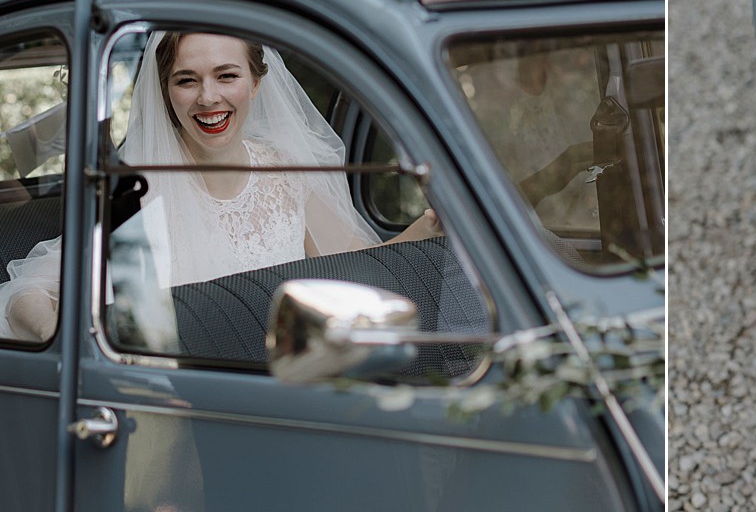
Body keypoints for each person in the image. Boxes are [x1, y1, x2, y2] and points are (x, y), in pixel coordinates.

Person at [0, 31, 442, 342]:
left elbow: (362, 266)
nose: (208, 97)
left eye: (227, 75)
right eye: (186, 80)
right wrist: (51, 331)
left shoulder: (288, 172)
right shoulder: (135, 191)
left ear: (255, 83)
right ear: (166, 92)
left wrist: (427, 228)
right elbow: (29, 291)